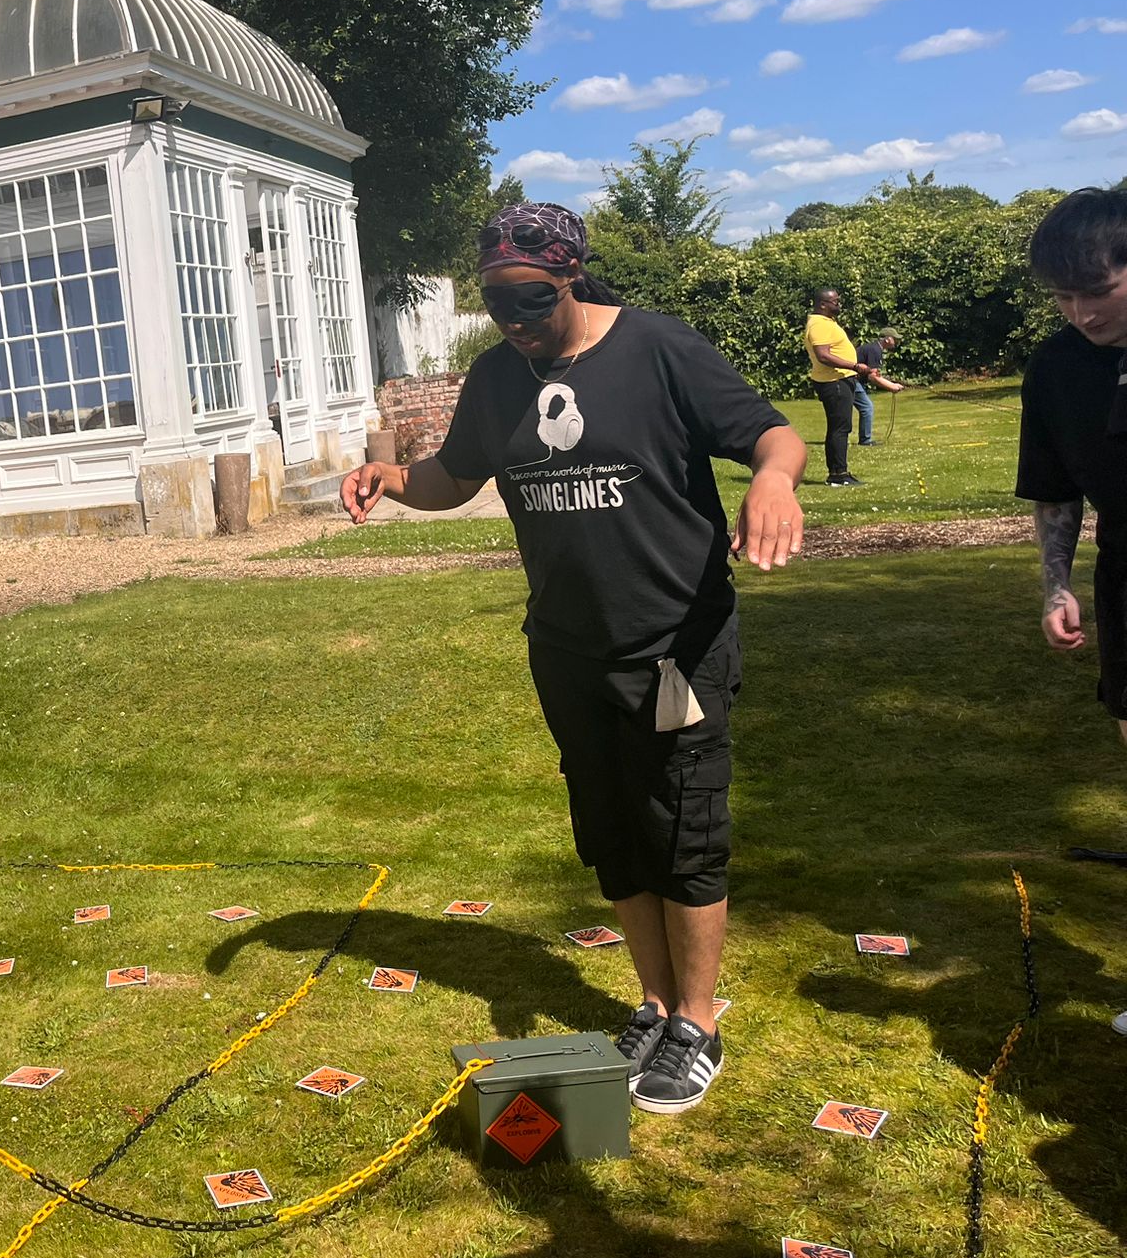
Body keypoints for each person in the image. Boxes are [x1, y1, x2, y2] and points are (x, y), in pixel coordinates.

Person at [341, 203, 808, 1114]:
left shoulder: (657, 348)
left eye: (532, 299)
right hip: (566, 648)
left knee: (684, 828)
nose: (514, 321)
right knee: (610, 827)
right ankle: (655, 1002)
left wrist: (773, 480)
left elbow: (773, 433)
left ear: (570, 276)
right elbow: (455, 476)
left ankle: (699, 1023)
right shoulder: (497, 376)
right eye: (496, 302)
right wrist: (392, 478)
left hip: (674, 645)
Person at [1011, 186, 1127, 1039]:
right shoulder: (1055, 368)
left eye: (1099, 291)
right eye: (1063, 298)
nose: (1082, 313)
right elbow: (1056, 493)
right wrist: (1057, 584)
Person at [806, 288, 872, 486]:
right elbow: (823, 356)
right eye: (835, 302)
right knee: (840, 428)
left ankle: (838, 471)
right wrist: (854, 366)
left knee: (840, 427)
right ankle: (838, 474)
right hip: (834, 382)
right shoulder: (819, 325)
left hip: (840, 380)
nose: (839, 304)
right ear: (822, 304)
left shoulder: (826, 322)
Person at [850, 326, 906, 446]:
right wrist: (891, 387)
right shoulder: (874, 350)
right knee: (867, 407)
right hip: (852, 380)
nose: (897, 341)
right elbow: (873, 377)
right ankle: (865, 440)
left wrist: (892, 384)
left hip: (853, 380)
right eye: (895, 339)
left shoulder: (875, 348)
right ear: (887, 339)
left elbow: (874, 374)